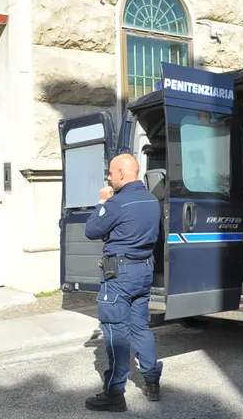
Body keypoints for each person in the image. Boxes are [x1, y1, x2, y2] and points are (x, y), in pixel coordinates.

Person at [83, 153, 163, 413]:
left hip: (119, 275)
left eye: (110, 172)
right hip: (143, 271)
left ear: (121, 173)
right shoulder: (151, 200)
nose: (109, 177)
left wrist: (101, 202)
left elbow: (91, 230)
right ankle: (152, 382)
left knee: (115, 332)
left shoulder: (116, 203)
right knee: (140, 327)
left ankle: (114, 394)